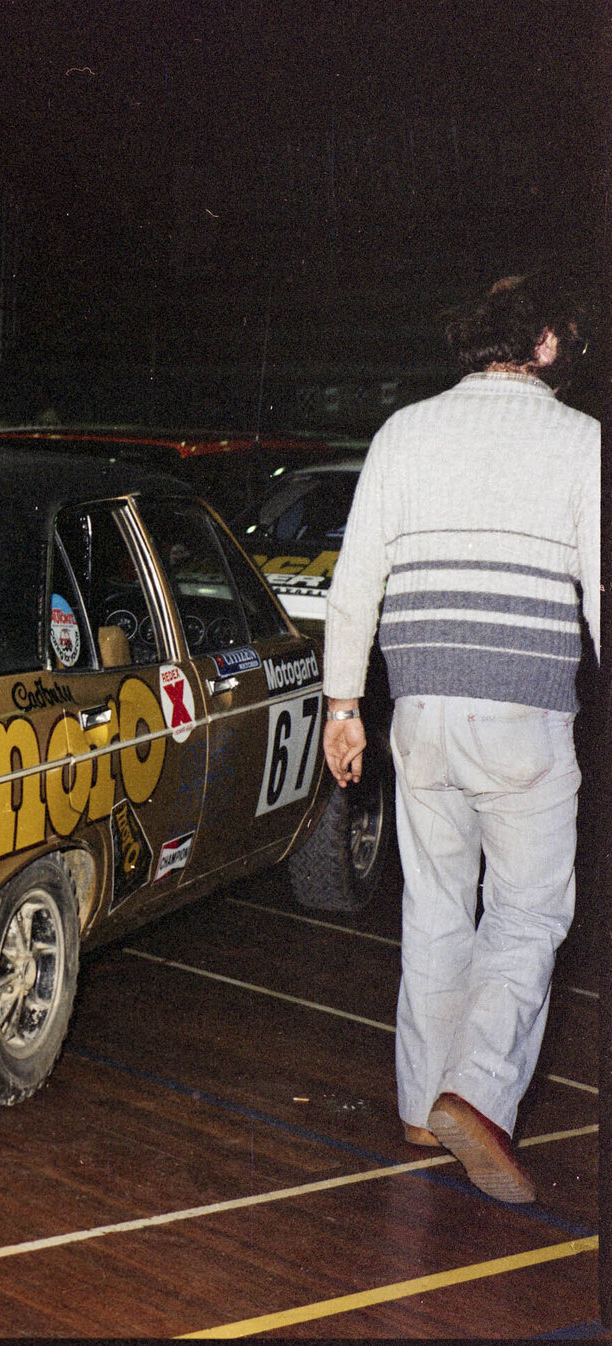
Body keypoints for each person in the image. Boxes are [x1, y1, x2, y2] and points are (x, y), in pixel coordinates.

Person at [322, 272, 599, 1204]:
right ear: (546, 343)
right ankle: (477, 1092)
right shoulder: (580, 441)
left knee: (436, 909)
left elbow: (355, 582)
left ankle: (418, 1105)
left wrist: (343, 708)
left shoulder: (404, 432)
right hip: (523, 716)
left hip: (420, 716)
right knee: (527, 914)